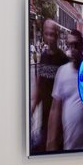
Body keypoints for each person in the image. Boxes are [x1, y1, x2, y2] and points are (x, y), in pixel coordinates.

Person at [46, 30, 83, 151]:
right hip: (68, 146)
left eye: (76, 45)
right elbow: (55, 109)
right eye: (70, 45)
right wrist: (50, 140)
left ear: (82, 47)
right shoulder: (62, 72)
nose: (72, 49)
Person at [29, 18, 69, 152]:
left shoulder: (63, 60)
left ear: (57, 35)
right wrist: (32, 109)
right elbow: (39, 87)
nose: (50, 38)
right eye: (47, 34)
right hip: (44, 120)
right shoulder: (43, 57)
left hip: (59, 122)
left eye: (52, 34)